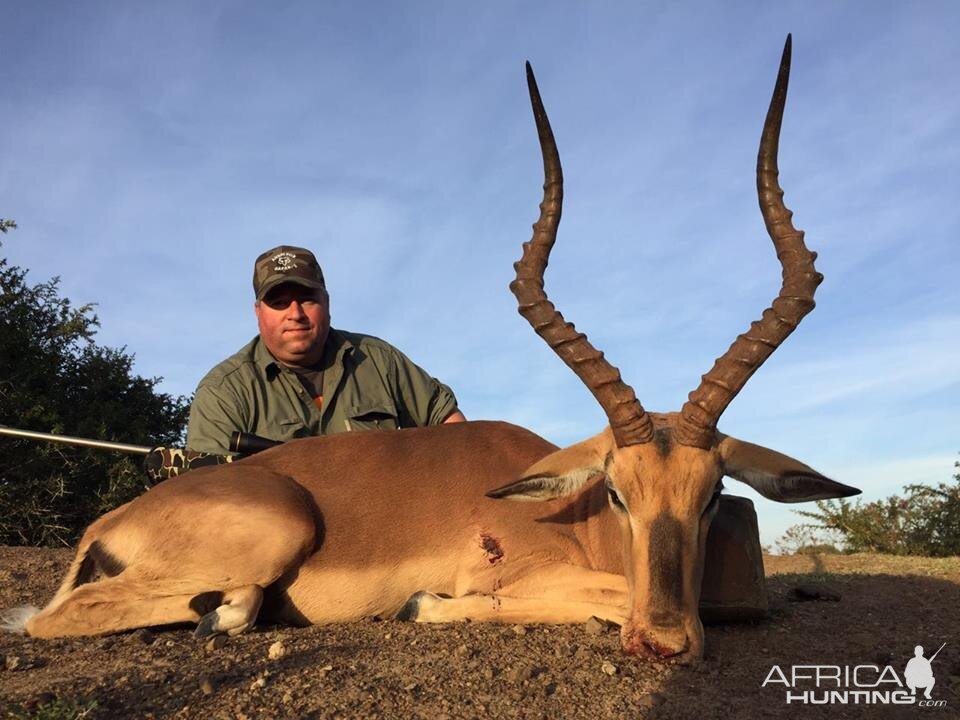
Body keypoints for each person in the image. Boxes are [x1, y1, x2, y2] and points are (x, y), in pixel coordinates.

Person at [186, 245, 465, 455]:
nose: (295, 313)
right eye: (279, 302)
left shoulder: (378, 359)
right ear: (258, 312)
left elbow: (454, 429)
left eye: (307, 299)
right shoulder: (223, 391)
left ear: (327, 303)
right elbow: (208, 492)